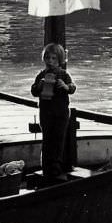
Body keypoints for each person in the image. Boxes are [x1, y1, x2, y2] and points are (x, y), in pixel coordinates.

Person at [31, 43, 76, 183]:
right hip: (46, 112)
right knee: (47, 138)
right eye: (48, 58)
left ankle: (56, 166)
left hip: (61, 112)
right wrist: (39, 86)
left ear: (60, 60)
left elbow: (73, 87)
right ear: (44, 59)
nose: (50, 61)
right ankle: (46, 165)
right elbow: (33, 91)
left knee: (58, 139)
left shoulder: (63, 74)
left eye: (54, 59)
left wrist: (65, 86)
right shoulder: (41, 75)